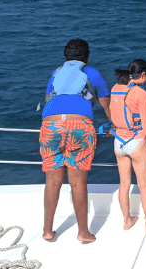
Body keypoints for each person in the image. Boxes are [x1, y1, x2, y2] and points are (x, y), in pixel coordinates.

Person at [39, 39, 111, 243]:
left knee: (52, 181)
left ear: (66, 56)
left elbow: (48, 98)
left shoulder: (56, 72)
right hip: (79, 126)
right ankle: (83, 232)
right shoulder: (91, 73)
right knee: (77, 182)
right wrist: (113, 124)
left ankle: (47, 230)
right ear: (86, 57)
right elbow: (106, 104)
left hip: (51, 125)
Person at [111, 59, 146, 234]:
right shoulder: (140, 93)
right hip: (137, 142)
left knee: (124, 184)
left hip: (119, 141)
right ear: (144, 75)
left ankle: (127, 221)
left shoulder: (116, 88)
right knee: (144, 185)